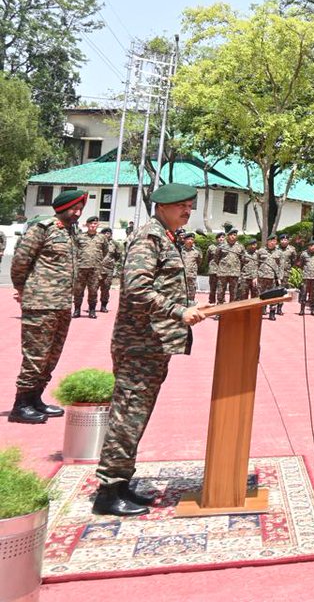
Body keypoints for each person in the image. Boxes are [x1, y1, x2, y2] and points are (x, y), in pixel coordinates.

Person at [92, 183, 207, 516]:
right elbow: (136, 287)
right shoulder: (149, 238)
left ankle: (122, 483)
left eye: (189, 206)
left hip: (153, 343)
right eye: (181, 206)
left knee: (135, 416)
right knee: (127, 414)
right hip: (137, 343)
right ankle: (108, 492)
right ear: (161, 207)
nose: (187, 212)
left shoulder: (168, 238)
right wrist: (178, 311)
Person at [8, 189, 85, 424]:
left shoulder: (71, 232)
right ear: (61, 208)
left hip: (62, 304)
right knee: (36, 356)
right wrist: (24, 289)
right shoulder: (42, 229)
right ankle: (20, 406)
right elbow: (20, 262)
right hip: (41, 304)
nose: (78, 213)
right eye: (74, 208)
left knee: (51, 356)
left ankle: (35, 399)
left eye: (80, 209)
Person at [73, 215, 108, 318]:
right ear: (87, 225)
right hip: (81, 268)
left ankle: (92, 310)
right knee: (78, 290)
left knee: (93, 290)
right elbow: (74, 251)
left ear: (98, 225)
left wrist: (98, 260)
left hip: (95, 269)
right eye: (91, 224)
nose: (93, 225)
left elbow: (105, 251)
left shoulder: (102, 237)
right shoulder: (80, 237)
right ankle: (77, 310)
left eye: (95, 224)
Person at [214, 229, 244, 304]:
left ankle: (231, 312)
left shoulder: (240, 246)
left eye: (235, 235)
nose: (233, 237)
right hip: (223, 273)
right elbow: (216, 258)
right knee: (220, 292)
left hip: (234, 273)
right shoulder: (221, 246)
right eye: (231, 235)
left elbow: (242, 259)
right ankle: (219, 311)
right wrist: (222, 267)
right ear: (228, 236)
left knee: (233, 293)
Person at [99, 227, 122, 312]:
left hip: (108, 269)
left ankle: (103, 306)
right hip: (96, 268)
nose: (106, 234)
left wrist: (111, 262)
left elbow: (118, 255)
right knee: (93, 288)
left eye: (108, 233)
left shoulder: (115, 244)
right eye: (104, 233)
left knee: (106, 288)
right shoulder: (97, 242)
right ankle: (92, 307)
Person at [298, 242, 314, 316]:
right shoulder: (304, 254)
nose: (313, 247)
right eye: (311, 246)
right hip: (306, 276)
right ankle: (302, 309)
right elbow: (301, 264)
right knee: (304, 293)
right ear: (308, 246)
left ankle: (313, 309)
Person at [179, 232, 201, 305]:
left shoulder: (197, 251)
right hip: (181, 275)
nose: (190, 241)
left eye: (192, 239)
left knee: (192, 291)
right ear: (184, 240)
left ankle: (191, 306)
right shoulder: (179, 250)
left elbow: (199, 261)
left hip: (191, 275)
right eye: (188, 239)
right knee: (181, 292)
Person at [206, 234, 221, 304]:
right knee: (212, 288)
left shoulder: (226, 247)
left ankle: (220, 304)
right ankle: (211, 302)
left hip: (222, 271)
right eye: (219, 238)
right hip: (213, 270)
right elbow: (207, 258)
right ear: (216, 239)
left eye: (223, 237)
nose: (221, 239)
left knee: (221, 289)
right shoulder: (211, 247)